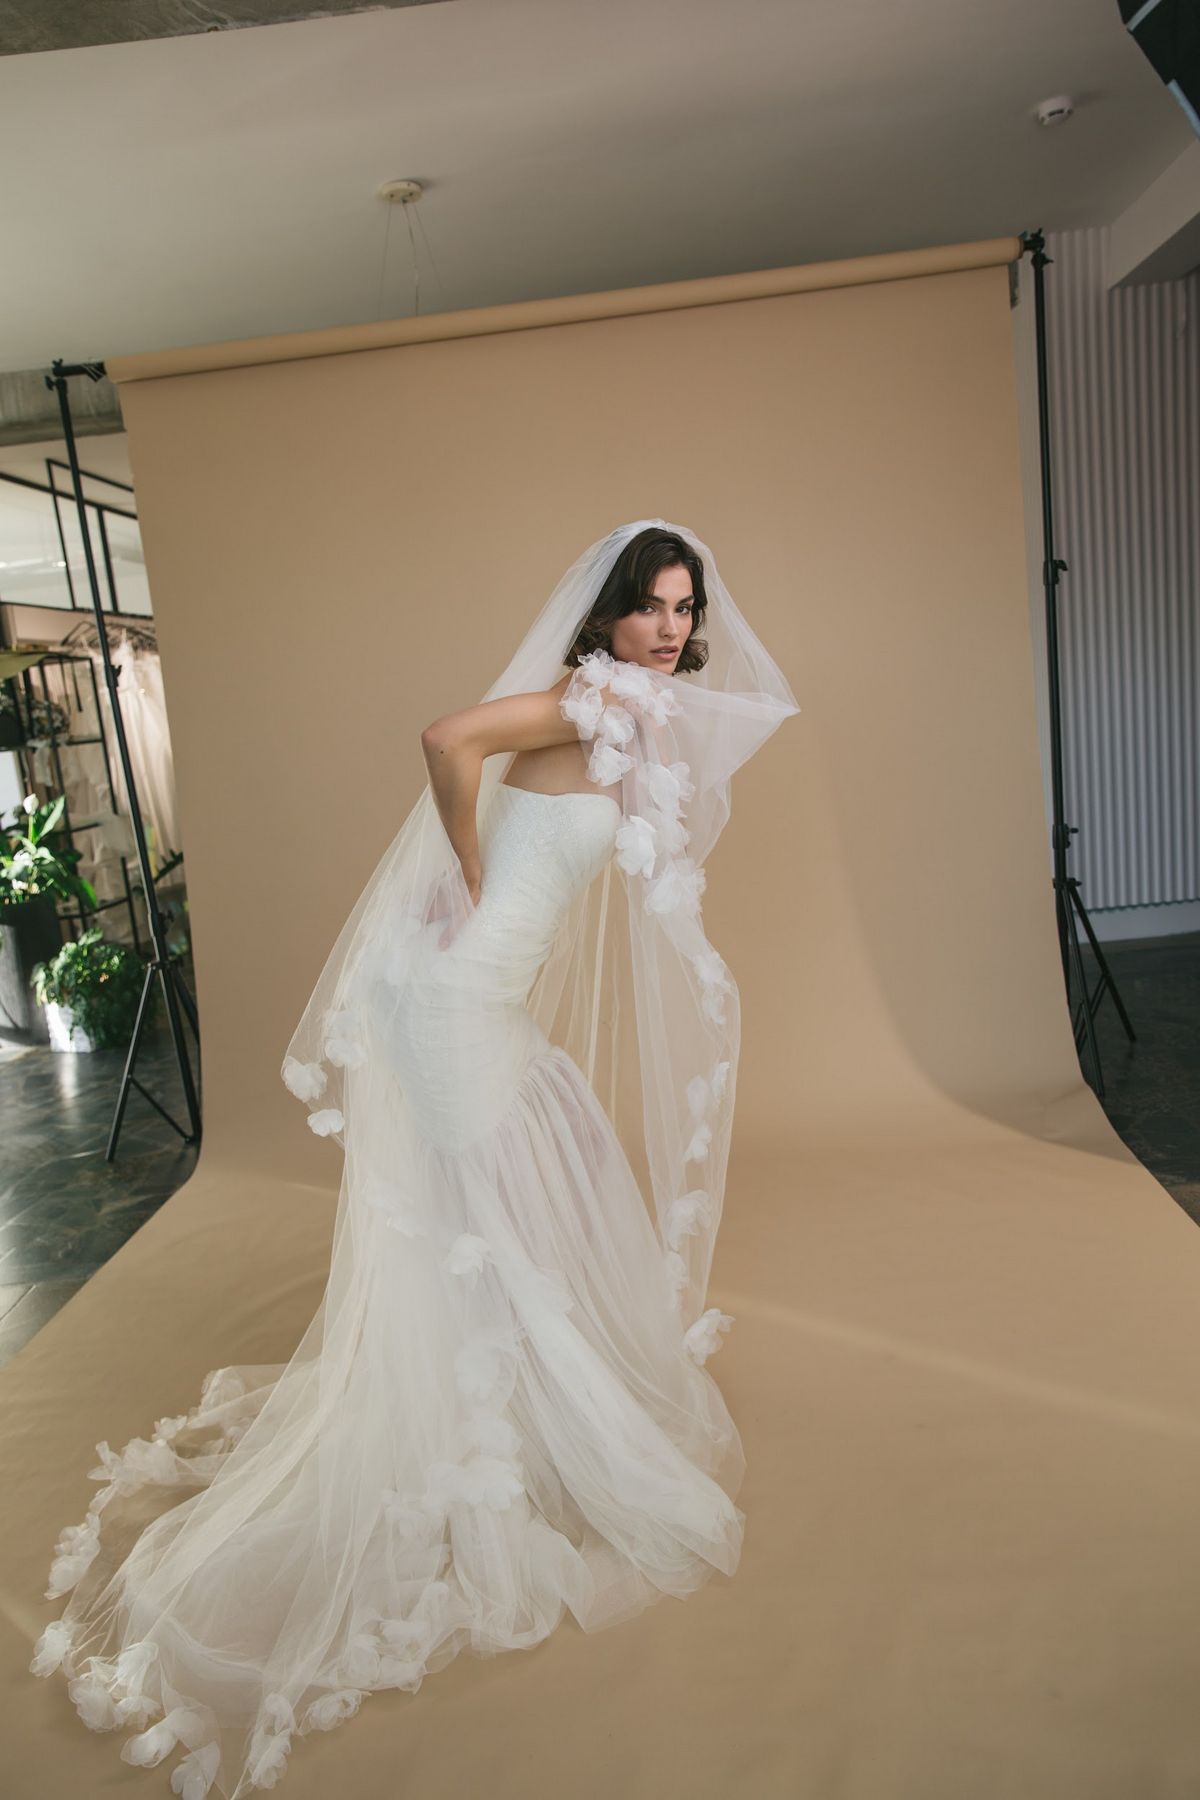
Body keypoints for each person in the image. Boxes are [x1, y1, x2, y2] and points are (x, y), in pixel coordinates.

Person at [29, 519, 800, 1799]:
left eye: (683, 607)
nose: (668, 629)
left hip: (475, 995)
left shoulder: (629, 707)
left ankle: (487, 1406)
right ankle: (481, 1431)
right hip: (446, 1001)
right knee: (491, 1208)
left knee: (500, 1200)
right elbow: (448, 738)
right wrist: (465, 857)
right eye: (648, 607)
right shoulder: (580, 697)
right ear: (605, 615)